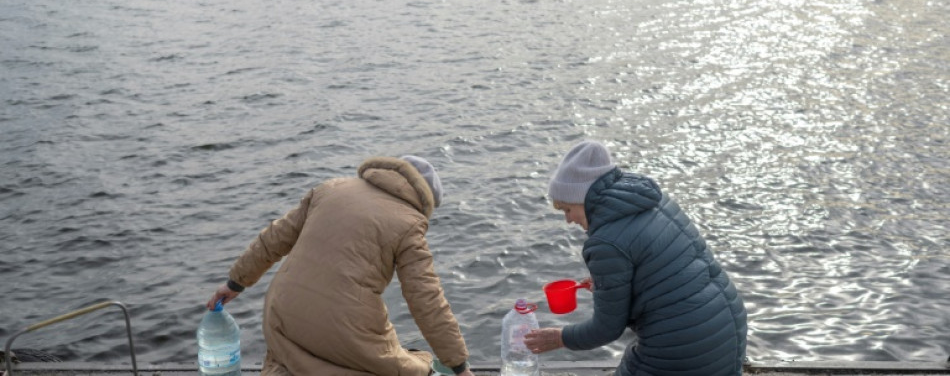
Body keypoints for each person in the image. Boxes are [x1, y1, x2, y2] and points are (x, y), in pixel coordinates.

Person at [205, 155, 475, 376]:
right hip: (345, 326)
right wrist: (459, 365)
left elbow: (274, 238)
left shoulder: (332, 188)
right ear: (426, 200)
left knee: (291, 358)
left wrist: (235, 283)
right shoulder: (410, 223)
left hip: (282, 310)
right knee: (408, 366)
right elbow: (427, 301)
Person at [524, 140, 747, 376]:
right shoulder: (653, 202)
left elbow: (606, 330)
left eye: (568, 210)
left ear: (584, 199)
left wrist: (561, 338)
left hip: (685, 345)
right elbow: (665, 274)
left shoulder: (605, 243)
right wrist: (610, 286)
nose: (568, 220)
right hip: (728, 324)